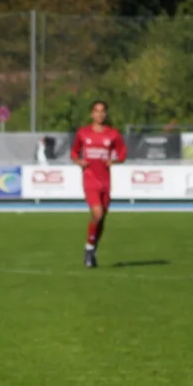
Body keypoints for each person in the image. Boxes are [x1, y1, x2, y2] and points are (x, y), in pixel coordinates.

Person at [71, 100, 123, 268]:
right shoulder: (83, 133)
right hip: (90, 179)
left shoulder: (113, 134)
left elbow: (122, 153)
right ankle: (88, 250)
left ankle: (91, 250)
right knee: (98, 213)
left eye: (102, 111)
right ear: (91, 114)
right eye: (96, 111)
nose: (99, 114)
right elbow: (73, 151)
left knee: (101, 220)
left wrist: (114, 160)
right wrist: (79, 161)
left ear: (105, 114)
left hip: (105, 182)